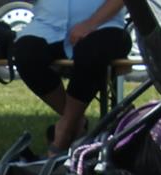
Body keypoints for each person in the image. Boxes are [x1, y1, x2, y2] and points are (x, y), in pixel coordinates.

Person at [13, 0, 132, 152]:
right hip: (48, 26)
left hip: (103, 26)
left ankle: (63, 135)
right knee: (26, 54)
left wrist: (90, 24)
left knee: (91, 53)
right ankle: (75, 123)